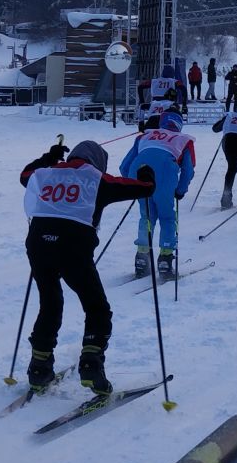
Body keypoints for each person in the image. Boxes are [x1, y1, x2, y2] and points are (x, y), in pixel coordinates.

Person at [18, 138, 154, 393]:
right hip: (74, 248)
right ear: (98, 162)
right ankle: (91, 364)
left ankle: (39, 366)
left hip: (38, 244)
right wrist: (147, 175)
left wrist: (48, 157)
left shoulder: (45, 173)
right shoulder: (97, 179)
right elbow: (144, 188)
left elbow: (25, 175)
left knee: (50, 303)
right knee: (96, 308)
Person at [120, 110, 196, 278]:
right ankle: (165, 258)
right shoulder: (184, 140)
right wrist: (180, 190)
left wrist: (132, 186)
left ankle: (142, 257)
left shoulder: (143, 136)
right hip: (165, 174)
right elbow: (188, 170)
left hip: (139, 172)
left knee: (146, 215)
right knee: (167, 216)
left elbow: (124, 166)